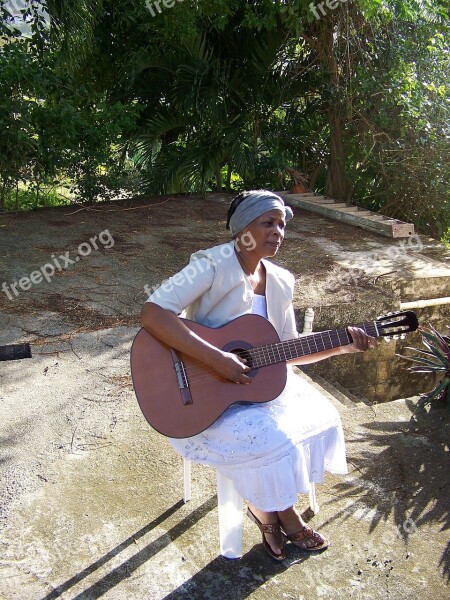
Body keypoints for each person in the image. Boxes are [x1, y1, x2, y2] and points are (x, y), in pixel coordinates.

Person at [140, 190, 376, 561]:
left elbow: (288, 348)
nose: (278, 231)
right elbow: (154, 313)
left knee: (325, 416)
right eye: (268, 222)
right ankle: (283, 514)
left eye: (282, 224)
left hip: (254, 387)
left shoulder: (281, 280)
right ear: (242, 230)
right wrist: (217, 359)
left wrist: (343, 345)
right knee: (272, 438)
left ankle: (268, 509)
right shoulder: (212, 265)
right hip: (203, 392)